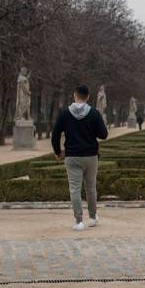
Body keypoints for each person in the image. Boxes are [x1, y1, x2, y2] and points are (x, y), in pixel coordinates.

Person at [51, 85, 108, 231]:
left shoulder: (64, 113)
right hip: (91, 156)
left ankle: (79, 221)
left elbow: (55, 134)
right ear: (88, 97)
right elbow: (103, 135)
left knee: (75, 189)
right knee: (91, 188)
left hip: (72, 156)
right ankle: (93, 217)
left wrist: (58, 152)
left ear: (74, 95)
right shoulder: (94, 113)